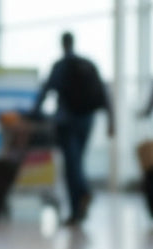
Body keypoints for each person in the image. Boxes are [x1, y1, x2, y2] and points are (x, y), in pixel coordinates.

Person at [29, 31, 115, 225]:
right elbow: (104, 93)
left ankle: (79, 202)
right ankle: (79, 207)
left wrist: (34, 113)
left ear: (62, 44)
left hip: (67, 120)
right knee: (77, 161)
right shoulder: (89, 64)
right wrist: (112, 121)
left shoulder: (60, 66)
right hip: (87, 119)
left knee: (72, 164)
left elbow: (45, 91)